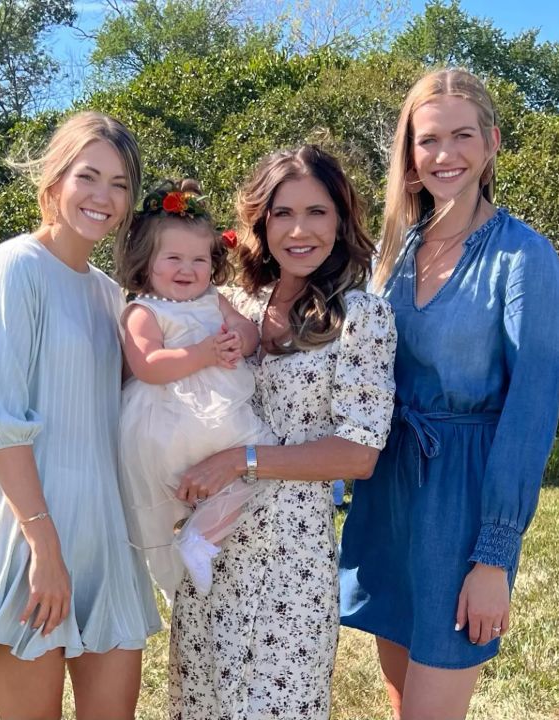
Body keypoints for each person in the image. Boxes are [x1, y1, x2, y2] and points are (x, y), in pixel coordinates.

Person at [339, 68, 559, 720]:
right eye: (428, 139)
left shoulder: (525, 256)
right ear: (409, 152)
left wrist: (493, 556)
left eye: (463, 136)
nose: (446, 154)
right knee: (402, 703)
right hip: (388, 496)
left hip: (460, 504)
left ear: (491, 143)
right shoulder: (394, 249)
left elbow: (533, 406)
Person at [167, 144, 397, 720]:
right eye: (283, 213)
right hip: (211, 554)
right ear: (261, 221)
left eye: (317, 212)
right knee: (201, 706)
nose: (300, 230)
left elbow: (359, 453)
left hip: (288, 562)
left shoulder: (361, 316)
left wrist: (239, 460)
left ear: (341, 219)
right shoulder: (236, 303)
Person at [0, 111, 161, 720]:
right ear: (55, 181)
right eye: (89, 176)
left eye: (118, 184)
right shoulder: (15, 267)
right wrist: (44, 548)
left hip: (105, 536)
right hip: (33, 534)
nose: (103, 197)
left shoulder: (110, 295)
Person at [114, 179, 276, 600]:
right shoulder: (143, 309)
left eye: (198, 259)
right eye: (173, 258)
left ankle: (199, 542)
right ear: (147, 262)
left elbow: (248, 331)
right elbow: (146, 364)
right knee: (249, 455)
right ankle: (180, 557)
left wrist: (241, 340)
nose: (187, 269)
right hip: (171, 419)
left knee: (260, 465)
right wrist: (203, 353)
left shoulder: (213, 299)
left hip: (215, 416)